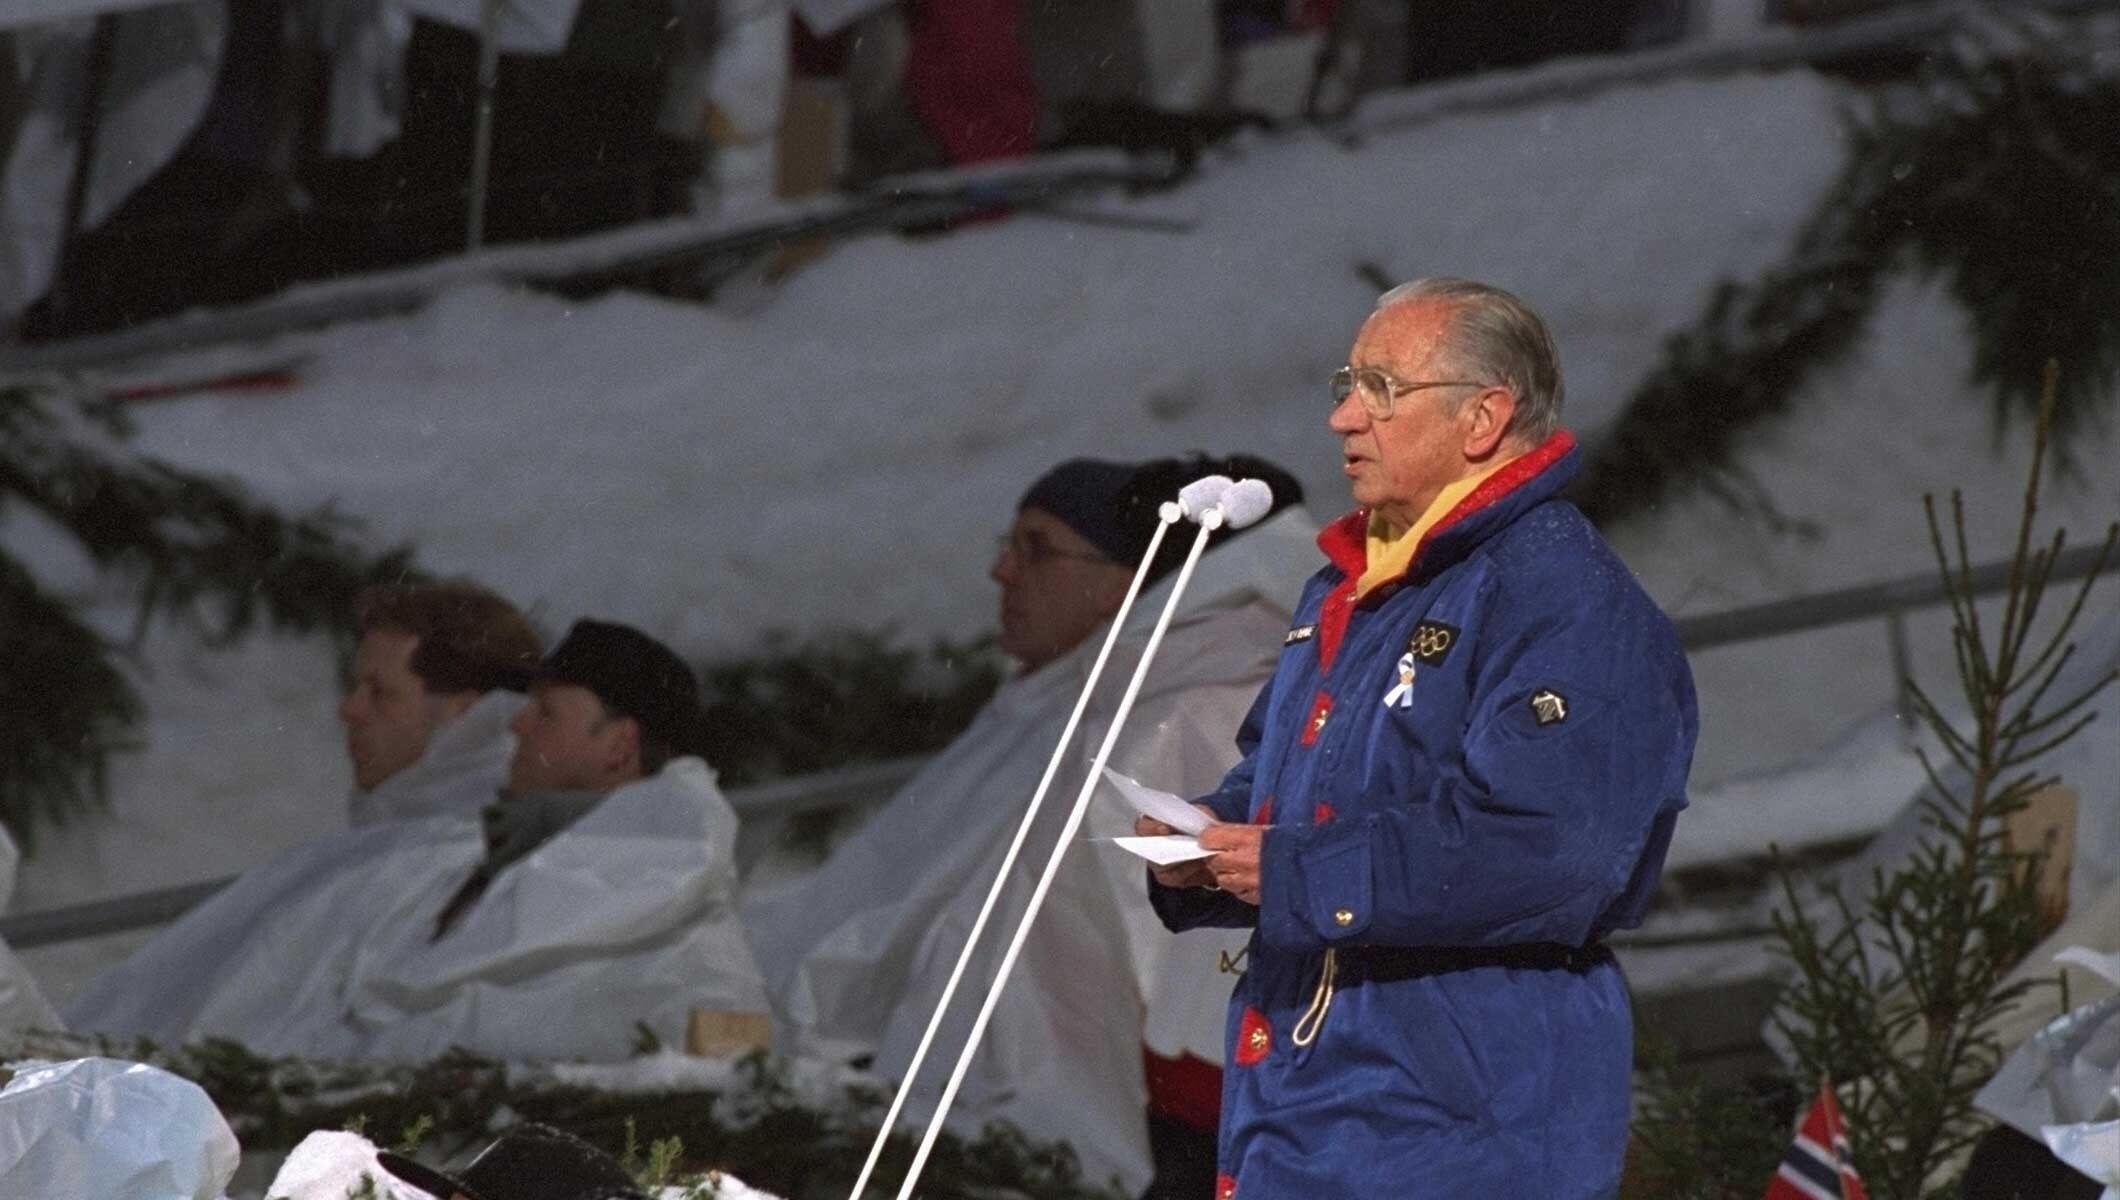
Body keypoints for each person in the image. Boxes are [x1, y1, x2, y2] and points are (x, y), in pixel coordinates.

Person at [1140, 278, 1697, 1198]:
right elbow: (1287, 785)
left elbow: (1550, 847)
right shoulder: (1351, 584)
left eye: (1381, 390)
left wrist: (1295, 870)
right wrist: (1208, 836)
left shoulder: (1566, 600)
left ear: (1484, 417)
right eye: (1344, 384)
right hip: (1310, 1111)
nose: (1344, 419)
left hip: (1458, 1129)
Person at [744, 453, 1315, 1198]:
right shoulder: (1068, 698)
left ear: (1122, 583)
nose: (1002, 573)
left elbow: (1051, 954)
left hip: (1164, 1114)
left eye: (1037, 548)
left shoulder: (1169, 709)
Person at [342, 581, 543, 826]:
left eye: (380, 692)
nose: (348, 710)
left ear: (468, 714)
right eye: (355, 687)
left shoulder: (468, 848)